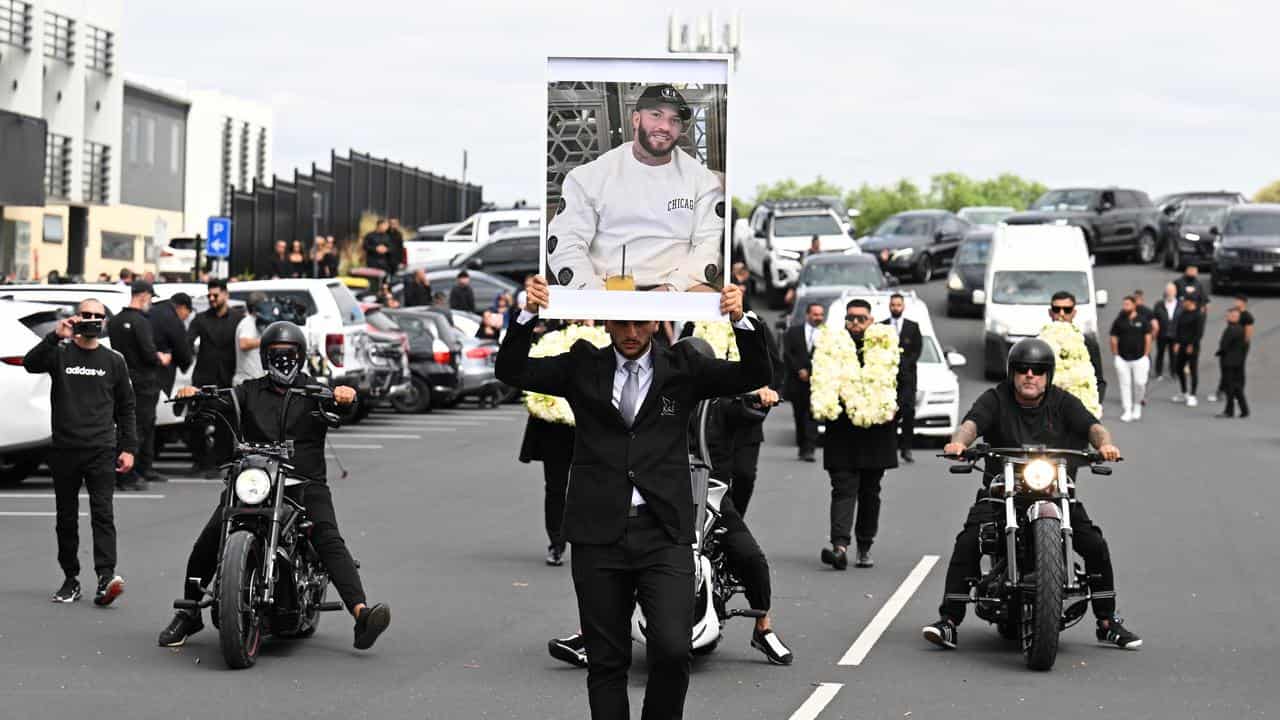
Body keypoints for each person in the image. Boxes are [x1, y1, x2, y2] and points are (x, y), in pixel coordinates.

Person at [495, 275, 770, 720]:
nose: (631, 333)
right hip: (597, 535)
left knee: (672, 647)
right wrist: (528, 313)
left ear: (656, 322)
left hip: (663, 533)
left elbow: (756, 373)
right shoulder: (583, 365)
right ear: (606, 321)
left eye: (641, 323)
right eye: (622, 323)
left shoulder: (683, 368)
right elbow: (511, 371)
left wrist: (741, 319)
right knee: (606, 660)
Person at [158, 321, 391, 650]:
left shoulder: (316, 392)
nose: (283, 361)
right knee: (208, 540)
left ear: (301, 356)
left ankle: (362, 615)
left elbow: (345, 406)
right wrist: (195, 396)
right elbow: (220, 402)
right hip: (255, 479)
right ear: (266, 358)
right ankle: (189, 612)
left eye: (289, 354)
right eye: (276, 355)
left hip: (304, 483)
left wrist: (345, 397)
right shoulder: (250, 390)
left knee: (327, 538)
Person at [922, 338, 1142, 652]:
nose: (1030, 375)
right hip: (1002, 491)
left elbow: (1093, 427)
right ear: (1012, 372)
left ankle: (1107, 622)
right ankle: (949, 621)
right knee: (969, 540)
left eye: (1038, 370)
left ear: (1047, 375)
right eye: (1023, 369)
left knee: (1094, 542)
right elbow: (971, 424)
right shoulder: (996, 399)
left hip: (1053, 492)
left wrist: (1105, 445)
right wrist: (958, 442)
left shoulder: (1063, 401)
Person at [546, 84, 725, 292]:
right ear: (636, 119)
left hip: (676, 289)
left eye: (674, 120)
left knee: (714, 305)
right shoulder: (588, 177)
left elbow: (710, 245)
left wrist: (672, 288)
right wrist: (595, 293)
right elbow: (566, 242)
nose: (665, 127)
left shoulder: (702, 180)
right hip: (608, 288)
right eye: (656, 115)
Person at [23, 298, 135, 606]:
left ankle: (105, 577)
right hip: (65, 449)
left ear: (104, 323)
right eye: (86, 314)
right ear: (76, 317)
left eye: (97, 316)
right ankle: (70, 579)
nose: (91, 320)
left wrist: (129, 448)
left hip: (101, 448)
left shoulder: (114, 360)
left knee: (103, 514)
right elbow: (31, 363)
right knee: (66, 518)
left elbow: (126, 407)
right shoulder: (60, 353)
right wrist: (55, 336)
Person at [821, 299, 898, 571]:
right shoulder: (832, 345)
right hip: (842, 433)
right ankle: (839, 546)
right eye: (850, 318)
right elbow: (820, 380)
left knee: (869, 493)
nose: (855, 323)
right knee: (843, 489)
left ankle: (865, 546)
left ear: (871, 321)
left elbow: (901, 381)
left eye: (861, 318)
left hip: (876, 434)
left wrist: (896, 409)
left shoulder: (885, 346)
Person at [107, 280, 170, 492]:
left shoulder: (115, 321)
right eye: (150, 298)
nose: (150, 303)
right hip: (144, 382)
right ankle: (130, 474)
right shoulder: (141, 322)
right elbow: (148, 353)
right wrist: (160, 358)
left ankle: (141, 469)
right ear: (143, 295)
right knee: (141, 427)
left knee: (128, 426)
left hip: (123, 379)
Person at [186, 279, 241, 476]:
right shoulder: (201, 319)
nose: (212, 299)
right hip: (204, 377)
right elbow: (187, 341)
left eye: (215, 295)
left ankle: (221, 461)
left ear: (225, 295)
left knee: (225, 423)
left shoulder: (237, 318)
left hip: (228, 376)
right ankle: (201, 460)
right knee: (198, 421)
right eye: (209, 295)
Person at [519, 411, 576, 567]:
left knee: (594, 488)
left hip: (591, 427)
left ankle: (601, 543)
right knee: (555, 489)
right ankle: (557, 544)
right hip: (554, 427)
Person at [883, 293, 922, 463]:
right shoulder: (881, 326)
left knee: (908, 413)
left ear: (903, 306)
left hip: (908, 379)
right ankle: (889, 447)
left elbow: (917, 350)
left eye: (898, 305)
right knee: (890, 414)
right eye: (893, 305)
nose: (896, 308)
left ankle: (906, 448)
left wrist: (904, 365)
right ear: (889, 306)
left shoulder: (912, 327)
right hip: (887, 379)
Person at [783, 303, 824, 462]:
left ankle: (810, 448)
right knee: (799, 416)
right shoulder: (793, 332)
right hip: (797, 383)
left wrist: (813, 372)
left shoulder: (826, 334)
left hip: (817, 384)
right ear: (808, 315)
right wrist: (799, 369)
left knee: (812, 416)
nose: (818, 317)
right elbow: (787, 354)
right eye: (815, 314)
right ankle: (802, 445)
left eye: (820, 314)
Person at [1049, 291, 1106, 402]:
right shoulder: (1040, 342)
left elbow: (1098, 380)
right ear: (1050, 312)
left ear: (1074, 313)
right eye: (1057, 309)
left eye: (1067, 310)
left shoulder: (1087, 343)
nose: (1061, 314)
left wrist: (1094, 406)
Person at [1109, 295, 1152, 422]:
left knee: (1140, 383)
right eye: (1124, 304)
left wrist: (1146, 354)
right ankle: (1127, 409)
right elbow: (1113, 337)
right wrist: (1116, 354)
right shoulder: (1119, 320)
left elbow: (1148, 337)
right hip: (1122, 359)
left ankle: (1137, 405)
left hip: (1140, 358)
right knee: (1124, 384)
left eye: (1128, 304)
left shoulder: (1142, 320)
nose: (1125, 306)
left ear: (1134, 305)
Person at [1209, 295, 1254, 403]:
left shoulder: (1247, 317)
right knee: (1227, 370)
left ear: (1243, 302)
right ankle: (1224, 391)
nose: (1236, 302)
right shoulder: (1234, 313)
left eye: (1238, 300)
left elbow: (1248, 334)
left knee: (1237, 370)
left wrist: (1242, 348)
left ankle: (1236, 393)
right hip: (1232, 346)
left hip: (1239, 347)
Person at [1214, 307, 1249, 419]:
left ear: (1234, 317)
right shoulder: (1241, 329)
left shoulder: (1231, 329)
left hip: (1228, 362)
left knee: (1229, 387)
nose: (1227, 317)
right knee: (1237, 386)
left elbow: (1224, 345)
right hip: (1238, 362)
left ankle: (1229, 411)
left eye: (1229, 315)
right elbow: (1245, 346)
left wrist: (1219, 352)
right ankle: (1244, 409)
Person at [1172, 296, 1205, 406]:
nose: (1183, 303)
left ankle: (1192, 395)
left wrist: (1192, 344)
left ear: (1191, 302)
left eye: (1185, 301)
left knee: (1193, 369)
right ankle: (1184, 392)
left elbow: (1199, 332)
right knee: (1179, 368)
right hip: (1181, 344)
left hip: (1192, 346)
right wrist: (1177, 342)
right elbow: (1178, 328)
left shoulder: (1198, 315)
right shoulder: (1183, 313)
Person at [233, 292, 268, 386]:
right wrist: (267, 341)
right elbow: (244, 343)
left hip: (254, 379)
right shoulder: (248, 322)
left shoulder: (258, 322)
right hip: (246, 380)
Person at [1152, 282, 1180, 381]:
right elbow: (1154, 317)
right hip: (1162, 334)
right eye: (1168, 291)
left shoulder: (1180, 305)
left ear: (1175, 292)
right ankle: (1158, 373)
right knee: (1160, 353)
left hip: (1175, 334)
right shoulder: (1159, 304)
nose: (1170, 293)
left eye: (1172, 291)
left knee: (1174, 354)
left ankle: (1174, 373)